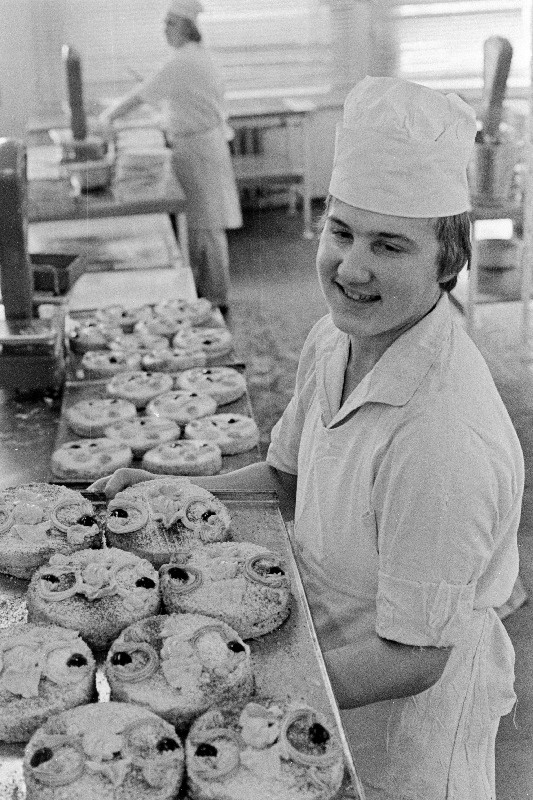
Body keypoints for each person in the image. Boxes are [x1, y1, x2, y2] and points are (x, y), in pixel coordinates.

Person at [90, 77, 524, 799]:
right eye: (341, 232)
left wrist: (227, 685)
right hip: (317, 652)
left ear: (447, 263)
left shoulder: (440, 438)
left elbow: (412, 658)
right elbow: (285, 478)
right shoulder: (335, 339)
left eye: (388, 245)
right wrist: (176, 487)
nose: (352, 268)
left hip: (396, 727)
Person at [99, 0, 242, 312]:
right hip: (199, 145)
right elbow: (176, 99)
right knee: (203, 227)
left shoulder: (184, 61)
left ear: (186, 27)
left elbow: (140, 95)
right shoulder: (191, 57)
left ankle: (216, 300)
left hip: (199, 150)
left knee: (206, 229)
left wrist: (107, 118)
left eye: (170, 24)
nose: (164, 30)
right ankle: (209, 294)